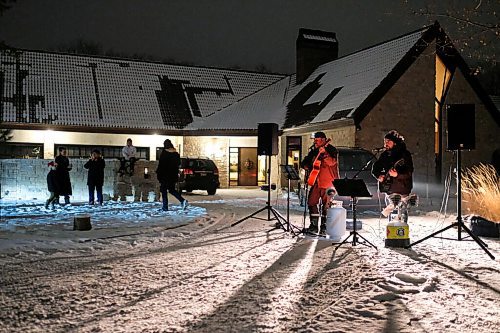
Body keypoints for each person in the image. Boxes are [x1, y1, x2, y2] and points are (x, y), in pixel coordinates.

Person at [300, 131, 339, 234]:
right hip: (316, 181)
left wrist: (324, 153)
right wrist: (305, 165)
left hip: (328, 182)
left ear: (323, 140)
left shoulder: (332, 150)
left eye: (316, 140)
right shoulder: (314, 150)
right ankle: (313, 225)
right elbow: (306, 161)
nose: (315, 142)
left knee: (326, 205)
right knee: (311, 202)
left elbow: (332, 162)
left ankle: (324, 226)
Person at [371, 130, 414, 216]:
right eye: (384, 141)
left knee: (401, 216)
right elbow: (375, 168)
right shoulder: (385, 155)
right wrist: (379, 176)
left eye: (388, 141)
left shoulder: (404, 154)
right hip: (389, 190)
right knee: (391, 216)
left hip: (402, 190)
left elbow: (409, 172)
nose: (385, 144)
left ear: (394, 143)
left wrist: (397, 175)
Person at [156, 139, 188, 211]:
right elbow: (178, 164)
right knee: (172, 190)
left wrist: (159, 174)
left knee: (164, 190)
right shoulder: (176, 154)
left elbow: (161, 165)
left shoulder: (164, 153)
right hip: (172, 176)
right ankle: (182, 200)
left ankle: (165, 207)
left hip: (165, 175)